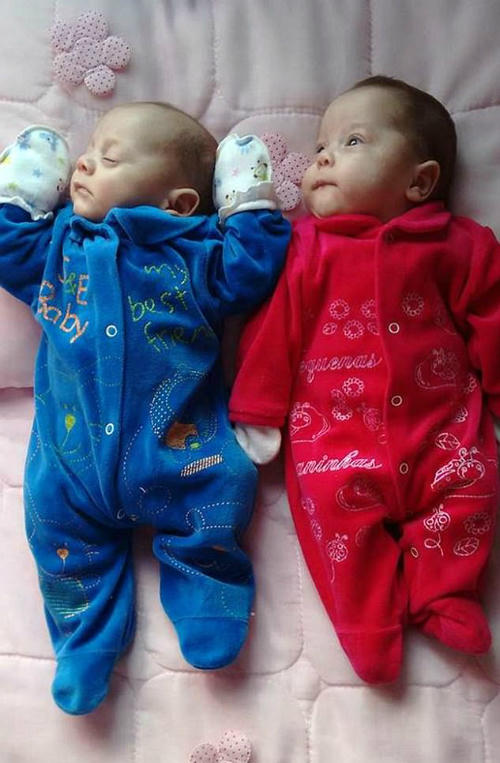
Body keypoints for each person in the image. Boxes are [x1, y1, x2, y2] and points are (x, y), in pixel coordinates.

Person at [0, 102, 291, 714]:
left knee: (227, 486)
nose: (84, 164)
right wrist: (26, 186)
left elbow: (254, 268)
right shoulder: (59, 248)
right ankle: (85, 642)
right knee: (55, 534)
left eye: (109, 158)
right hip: (72, 465)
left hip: (181, 455)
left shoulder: (197, 255)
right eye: (86, 153)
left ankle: (207, 593)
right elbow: (7, 247)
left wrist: (246, 202)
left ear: (178, 203)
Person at [229, 76, 500, 684]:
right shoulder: (307, 247)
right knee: (335, 520)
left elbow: (493, 319)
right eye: (321, 147)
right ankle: (367, 624)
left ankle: (445, 592)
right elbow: (273, 331)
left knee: (472, 488)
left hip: (441, 429)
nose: (324, 157)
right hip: (335, 436)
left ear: (419, 182)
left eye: (352, 142)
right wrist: (256, 409)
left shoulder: (461, 246)